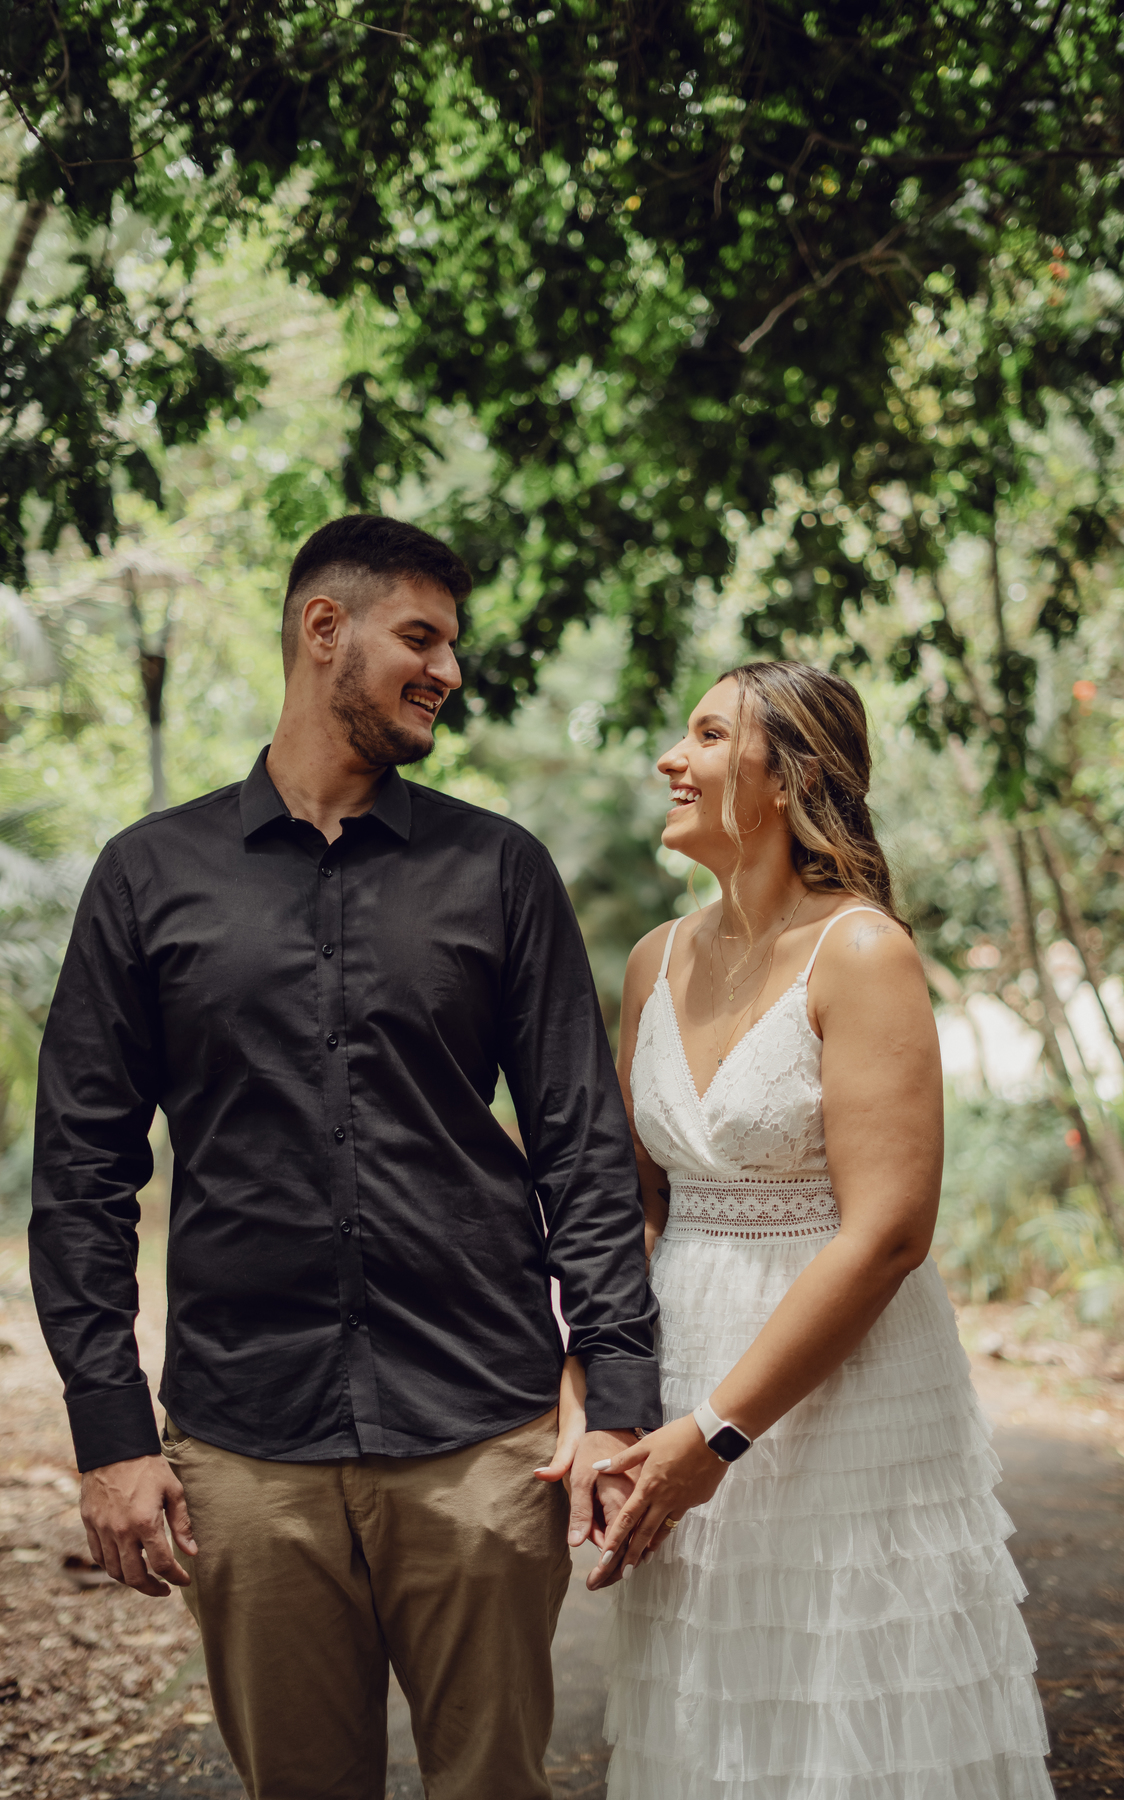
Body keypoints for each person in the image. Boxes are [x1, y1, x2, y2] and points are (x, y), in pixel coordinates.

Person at [29, 513, 661, 1800]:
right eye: (421, 638)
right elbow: (82, 1178)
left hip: (480, 1437)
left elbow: (583, 1150)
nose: (449, 671)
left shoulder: (500, 871)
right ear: (326, 629)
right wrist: (110, 1434)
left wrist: (620, 1406)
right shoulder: (148, 876)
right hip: (246, 1446)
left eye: (452, 646)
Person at [593, 662, 1054, 1799]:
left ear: (788, 778)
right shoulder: (654, 959)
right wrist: (606, 1403)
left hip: (840, 1400)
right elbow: (635, 1207)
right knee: (713, 1719)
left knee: (849, 1711)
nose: (672, 759)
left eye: (709, 735)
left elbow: (890, 1233)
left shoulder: (860, 951)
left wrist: (718, 1434)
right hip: (680, 1370)